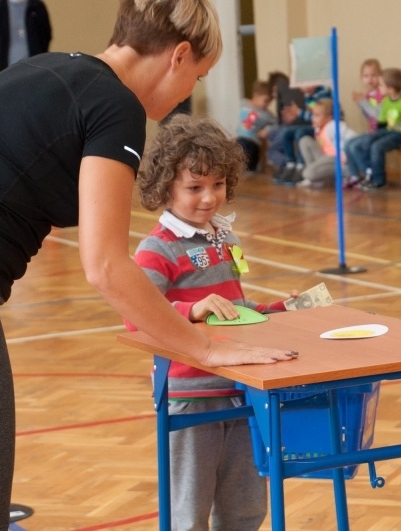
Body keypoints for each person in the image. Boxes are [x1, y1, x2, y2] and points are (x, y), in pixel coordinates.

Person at [0, 2, 298, 529]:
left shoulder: (46, 68)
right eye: (197, 76)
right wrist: (206, 348)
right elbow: (104, 265)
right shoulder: (115, 105)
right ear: (178, 56)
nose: (188, 91)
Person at [128, 114, 296, 530]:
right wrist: (192, 310)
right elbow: (137, 318)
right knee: (189, 512)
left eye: (218, 184)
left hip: (241, 390)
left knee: (246, 506)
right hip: (191, 395)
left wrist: (277, 308)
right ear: (165, 186)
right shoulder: (156, 249)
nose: (209, 198)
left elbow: (233, 308)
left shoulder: (225, 238)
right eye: (194, 187)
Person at [344, 68, 401, 191]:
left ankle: (379, 180)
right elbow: (382, 122)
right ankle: (368, 174)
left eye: (381, 85)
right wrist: (373, 136)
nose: (378, 86)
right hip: (389, 131)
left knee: (377, 147)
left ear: (390, 89)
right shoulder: (386, 101)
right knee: (363, 141)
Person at [271, 84, 332, 186]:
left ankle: (300, 165)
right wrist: (296, 115)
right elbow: (312, 116)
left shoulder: (323, 93)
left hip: (323, 126)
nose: (302, 89)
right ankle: (290, 164)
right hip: (314, 125)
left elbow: (319, 116)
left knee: (301, 132)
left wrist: (299, 112)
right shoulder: (308, 96)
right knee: (287, 132)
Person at [297, 98, 358, 189]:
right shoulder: (318, 128)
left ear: (328, 117)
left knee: (307, 173)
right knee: (304, 141)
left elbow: (354, 137)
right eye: (313, 115)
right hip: (325, 158)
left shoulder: (333, 126)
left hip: (336, 159)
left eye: (317, 115)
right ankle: (316, 178)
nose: (313, 118)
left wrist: (345, 156)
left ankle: (346, 172)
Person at [0, 0, 52, 73]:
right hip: (7, 68)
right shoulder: (1, 7)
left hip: (36, 66)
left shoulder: (37, 6)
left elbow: (46, 34)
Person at [236, 79, 276, 173]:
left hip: (254, 142)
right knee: (239, 148)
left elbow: (276, 124)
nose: (267, 104)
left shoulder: (267, 114)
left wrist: (266, 130)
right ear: (255, 96)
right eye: (266, 100)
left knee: (250, 162)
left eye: (269, 102)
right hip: (241, 139)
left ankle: (251, 171)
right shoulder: (243, 103)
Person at [351, 58, 384, 134]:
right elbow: (368, 117)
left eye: (374, 75)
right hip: (373, 130)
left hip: (383, 130)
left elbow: (379, 117)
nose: (370, 79)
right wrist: (359, 103)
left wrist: (363, 102)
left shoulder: (382, 93)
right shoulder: (367, 95)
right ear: (361, 79)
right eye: (366, 76)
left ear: (380, 77)